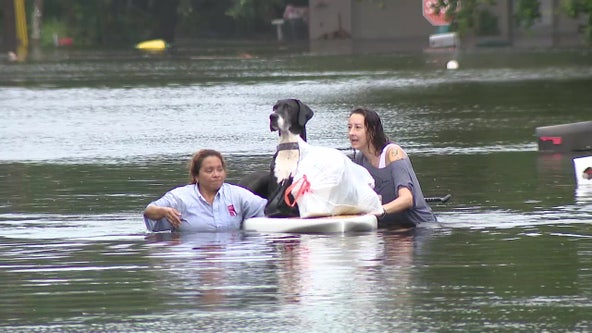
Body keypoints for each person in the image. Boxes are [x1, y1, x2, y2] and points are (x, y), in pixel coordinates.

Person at [347, 108, 436, 228]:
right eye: (349, 127)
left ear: (372, 131)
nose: (351, 133)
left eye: (357, 127)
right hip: (389, 228)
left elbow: (407, 199)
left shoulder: (393, 153)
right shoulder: (359, 160)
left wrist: (379, 210)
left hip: (419, 228)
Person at [143, 149, 267, 232]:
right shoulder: (180, 198)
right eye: (209, 170)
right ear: (196, 175)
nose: (216, 174)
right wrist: (164, 211)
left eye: (220, 169)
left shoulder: (237, 195)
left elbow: (267, 209)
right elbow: (149, 211)